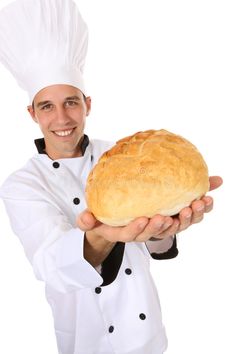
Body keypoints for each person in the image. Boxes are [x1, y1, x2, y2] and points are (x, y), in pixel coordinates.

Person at [0, 0, 222, 353]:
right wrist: (106, 234)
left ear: (88, 104)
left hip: (149, 338)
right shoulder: (23, 185)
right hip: (87, 342)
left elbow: (152, 240)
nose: (62, 118)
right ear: (32, 113)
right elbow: (52, 266)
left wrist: (165, 231)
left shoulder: (117, 158)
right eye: (47, 106)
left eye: (71, 102)